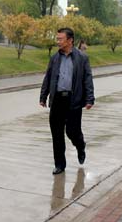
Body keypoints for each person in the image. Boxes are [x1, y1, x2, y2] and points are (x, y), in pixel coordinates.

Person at [40, 27, 95, 175]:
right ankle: (59, 164)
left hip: (73, 100)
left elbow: (87, 79)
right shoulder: (54, 58)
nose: (58, 41)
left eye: (60, 39)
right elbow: (48, 77)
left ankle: (80, 145)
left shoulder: (82, 58)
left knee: (72, 131)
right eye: (57, 39)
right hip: (57, 99)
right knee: (57, 133)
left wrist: (89, 98)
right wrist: (43, 96)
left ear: (70, 40)